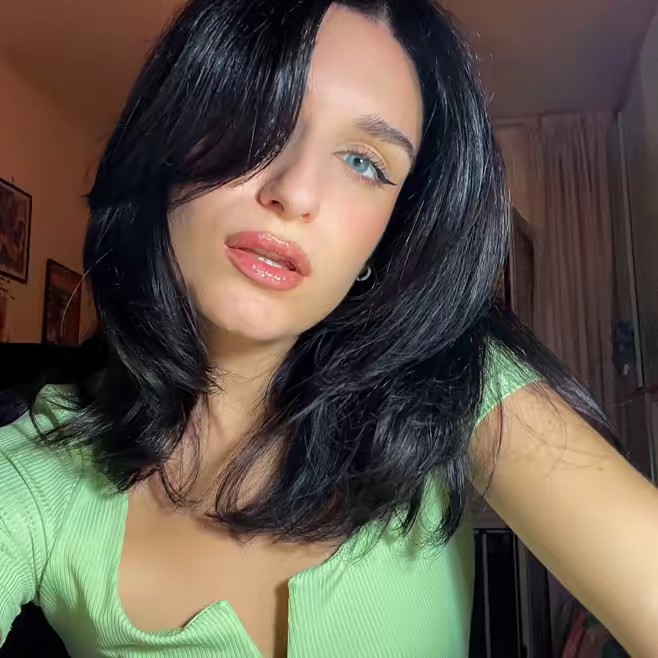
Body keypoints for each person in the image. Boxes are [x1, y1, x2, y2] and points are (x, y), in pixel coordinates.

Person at [1, 1, 656, 656]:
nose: (295, 192)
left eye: (364, 163)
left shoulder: (459, 385)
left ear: (388, 235)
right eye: (260, 116)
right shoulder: (38, 468)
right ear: (170, 141)